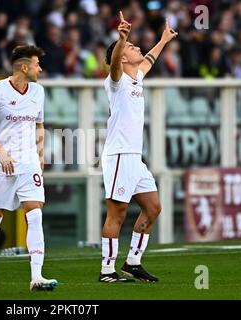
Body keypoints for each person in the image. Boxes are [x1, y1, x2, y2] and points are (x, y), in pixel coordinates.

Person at [99, 11, 177, 283]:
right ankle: (107, 270)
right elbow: (114, 67)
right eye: (132, 47)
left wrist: (164, 39)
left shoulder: (137, 77)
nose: (137, 48)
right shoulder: (115, 81)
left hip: (135, 158)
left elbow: (149, 61)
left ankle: (133, 262)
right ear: (122, 56)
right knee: (117, 213)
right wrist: (121, 38)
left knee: (153, 207)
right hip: (119, 155)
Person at [0, 45, 57, 291]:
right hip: (1, 164)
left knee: (35, 213)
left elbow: (39, 124)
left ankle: (37, 276)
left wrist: (40, 154)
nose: (40, 68)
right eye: (37, 64)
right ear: (24, 67)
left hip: (28, 162)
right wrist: (0, 150)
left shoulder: (38, 92)